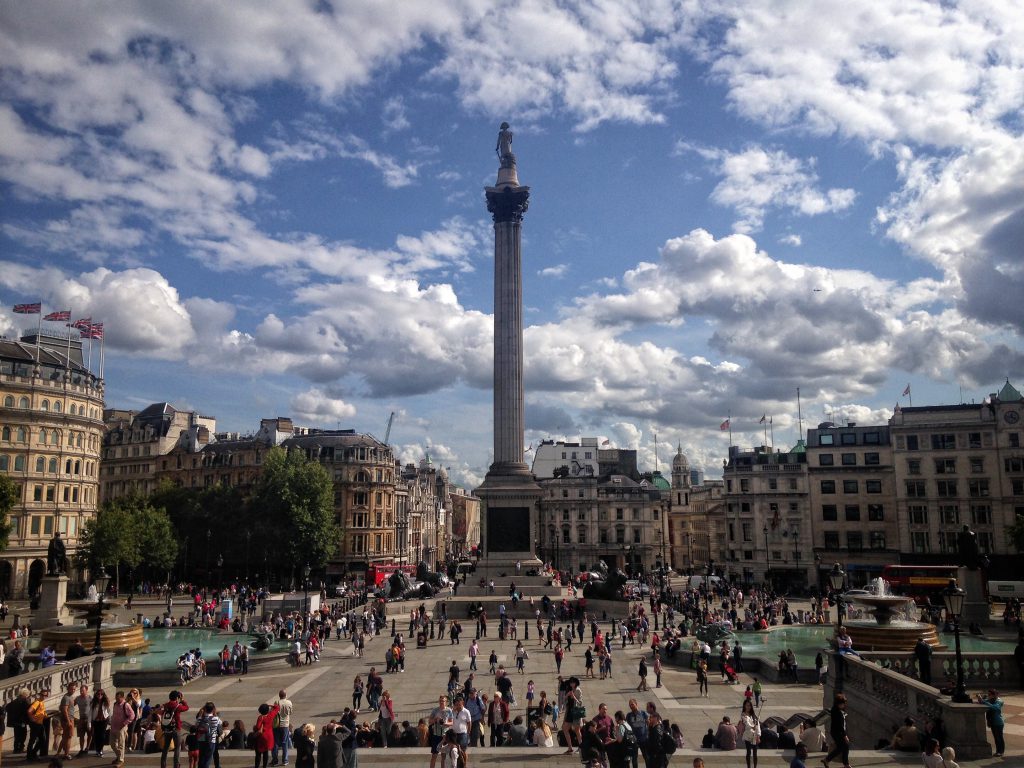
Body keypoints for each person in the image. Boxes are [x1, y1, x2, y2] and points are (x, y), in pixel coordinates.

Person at [160, 691, 189, 768]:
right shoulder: (177, 706)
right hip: (176, 729)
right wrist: (182, 700)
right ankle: (176, 765)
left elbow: (161, 712)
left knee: (165, 747)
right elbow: (186, 708)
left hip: (167, 728)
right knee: (177, 747)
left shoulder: (165, 705)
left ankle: (163, 765)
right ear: (177, 698)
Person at [110, 690, 137, 766]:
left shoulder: (126, 705)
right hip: (114, 727)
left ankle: (121, 760)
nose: (117, 700)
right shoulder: (115, 704)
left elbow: (132, 715)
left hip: (121, 727)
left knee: (121, 744)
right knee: (112, 744)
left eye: (118, 698)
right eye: (116, 698)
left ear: (122, 697)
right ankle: (119, 756)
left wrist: (124, 723)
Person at [823, 693, 849, 768]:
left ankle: (846, 764)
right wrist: (845, 736)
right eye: (843, 704)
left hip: (835, 732)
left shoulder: (835, 709)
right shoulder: (838, 712)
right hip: (838, 733)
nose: (844, 705)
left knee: (844, 746)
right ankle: (827, 759)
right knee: (841, 747)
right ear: (839, 703)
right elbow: (840, 726)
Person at [976, 689, 1004, 756]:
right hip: (993, 722)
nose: (988, 696)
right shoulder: (990, 700)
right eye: (988, 694)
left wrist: (984, 701)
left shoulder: (999, 701)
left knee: (999, 737)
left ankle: (1001, 751)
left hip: (998, 722)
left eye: (989, 694)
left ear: (994, 695)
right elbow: (982, 702)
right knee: (996, 737)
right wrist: (979, 698)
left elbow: (995, 708)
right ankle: (998, 751)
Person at [253, 702, 280, 768]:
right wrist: (270, 705)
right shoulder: (271, 714)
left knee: (258, 753)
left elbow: (258, 727)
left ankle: (257, 766)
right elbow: (277, 707)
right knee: (266, 753)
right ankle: (264, 766)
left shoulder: (260, 717)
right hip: (269, 736)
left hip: (262, 737)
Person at [429, 696, 454, 768]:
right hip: (436, 735)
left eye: (443, 701)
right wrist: (435, 719)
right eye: (440, 701)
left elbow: (452, 722)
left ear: (446, 702)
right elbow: (429, 721)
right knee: (434, 755)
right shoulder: (435, 710)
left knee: (444, 756)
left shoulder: (449, 710)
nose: (441, 702)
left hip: (445, 735)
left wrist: (446, 723)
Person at [271, 690, 292, 765]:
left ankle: (275, 760)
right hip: (285, 725)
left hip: (277, 725)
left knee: (275, 743)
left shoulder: (276, 702)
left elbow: (272, 712)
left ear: (279, 696)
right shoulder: (289, 702)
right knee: (285, 742)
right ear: (285, 695)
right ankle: (285, 760)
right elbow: (290, 712)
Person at [27, 690, 48, 762]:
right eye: (42, 695)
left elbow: (41, 712)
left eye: (45, 695)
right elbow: (29, 711)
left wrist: (44, 715)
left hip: (40, 723)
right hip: (36, 724)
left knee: (42, 739)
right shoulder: (37, 702)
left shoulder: (42, 702)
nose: (44, 696)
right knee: (33, 739)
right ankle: (30, 755)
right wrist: (32, 719)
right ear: (40, 695)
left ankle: (33, 753)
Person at [740, 700, 761, 768]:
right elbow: (746, 723)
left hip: (755, 735)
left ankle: (755, 766)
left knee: (755, 753)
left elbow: (758, 725)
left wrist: (758, 735)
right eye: (747, 705)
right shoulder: (743, 714)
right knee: (748, 752)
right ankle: (748, 766)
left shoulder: (753, 715)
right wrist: (752, 726)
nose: (748, 707)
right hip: (748, 735)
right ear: (744, 706)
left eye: (749, 705)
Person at [90, 689, 111, 757]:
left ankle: (100, 750)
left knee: (102, 735)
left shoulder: (105, 702)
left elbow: (108, 711)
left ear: (103, 695)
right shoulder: (93, 702)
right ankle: (97, 749)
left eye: (101, 694)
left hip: (104, 720)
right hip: (96, 721)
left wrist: (110, 721)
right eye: (98, 694)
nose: (100, 695)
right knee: (96, 736)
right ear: (96, 695)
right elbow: (90, 713)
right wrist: (89, 723)